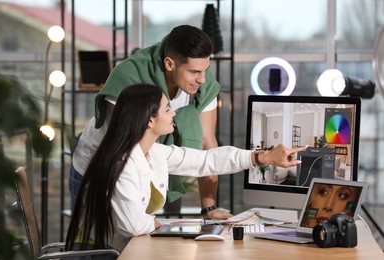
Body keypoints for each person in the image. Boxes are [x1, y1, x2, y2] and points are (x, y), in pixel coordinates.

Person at [65, 84, 307, 253]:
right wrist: (155, 223)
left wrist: (260, 157)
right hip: (100, 254)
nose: (173, 113)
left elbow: (205, 161)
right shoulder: (122, 162)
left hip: (125, 249)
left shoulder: (154, 152)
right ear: (150, 120)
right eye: (167, 109)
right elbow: (133, 225)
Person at [70, 24, 227, 219]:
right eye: (194, 71)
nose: (202, 79)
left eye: (206, 70)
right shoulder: (128, 76)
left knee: (135, 242)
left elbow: (206, 144)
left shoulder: (204, 82)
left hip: (142, 167)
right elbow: (125, 148)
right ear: (170, 64)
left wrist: (208, 208)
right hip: (99, 171)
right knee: (100, 246)